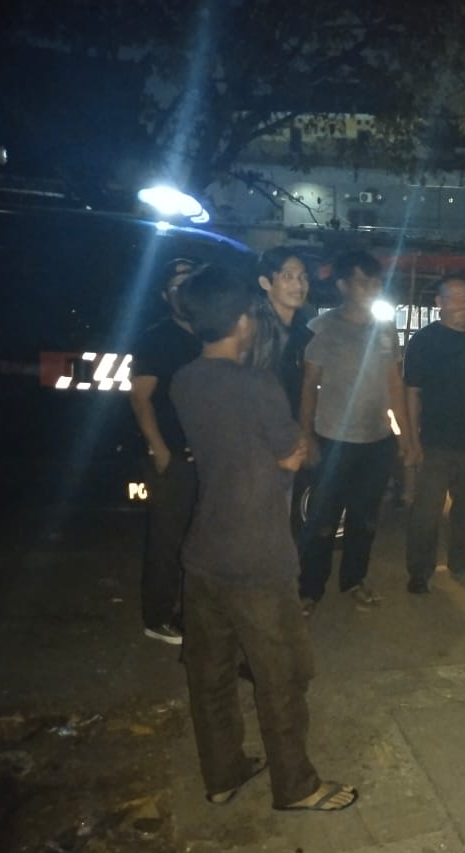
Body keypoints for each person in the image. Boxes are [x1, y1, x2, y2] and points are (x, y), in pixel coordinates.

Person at [170, 263, 356, 812]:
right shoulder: (257, 385)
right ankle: (295, 786)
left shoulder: (184, 380)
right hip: (258, 556)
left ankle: (223, 774)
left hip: (204, 552)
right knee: (284, 675)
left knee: (211, 674)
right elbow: (292, 453)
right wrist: (293, 445)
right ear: (242, 320)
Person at [297, 249, 418, 615]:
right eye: (363, 282)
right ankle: (309, 589)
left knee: (365, 519)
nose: (371, 288)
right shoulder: (323, 328)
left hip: (376, 439)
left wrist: (406, 437)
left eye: (376, 282)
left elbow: (394, 383)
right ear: (342, 285)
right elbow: (309, 386)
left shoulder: (385, 328)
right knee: (322, 521)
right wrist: (306, 435)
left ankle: (354, 580)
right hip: (332, 438)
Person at [402, 274, 465, 594]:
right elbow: (412, 392)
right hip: (435, 441)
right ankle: (419, 571)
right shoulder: (424, 341)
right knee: (427, 511)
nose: (462, 305)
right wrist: (412, 441)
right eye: (454, 298)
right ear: (439, 303)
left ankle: (462, 560)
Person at [129, 258, 201, 645]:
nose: (185, 292)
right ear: (164, 295)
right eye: (177, 286)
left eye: (191, 283)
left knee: (200, 539)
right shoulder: (156, 338)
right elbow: (140, 398)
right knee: (167, 541)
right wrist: (159, 451)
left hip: (206, 456)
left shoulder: (210, 333)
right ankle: (157, 618)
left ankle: (191, 613)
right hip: (171, 455)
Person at [249, 246, 313, 417]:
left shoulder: (303, 326)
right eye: (287, 276)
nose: (298, 285)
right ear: (265, 282)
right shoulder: (254, 328)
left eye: (303, 277)